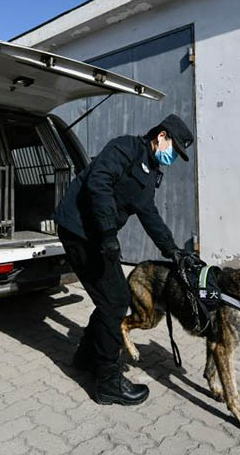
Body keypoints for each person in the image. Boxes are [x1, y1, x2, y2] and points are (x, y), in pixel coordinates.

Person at [54, 114, 194, 406]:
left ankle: (86, 357)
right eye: (175, 149)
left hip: (96, 236)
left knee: (112, 299)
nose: (173, 157)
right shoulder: (125, 148)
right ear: (162, 136)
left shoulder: (150, 173)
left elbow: (148, 213)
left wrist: (172, 250)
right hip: (79, 230)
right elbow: (99, 182)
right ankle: (108, 382)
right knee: (116, 300)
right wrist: (107, 232)